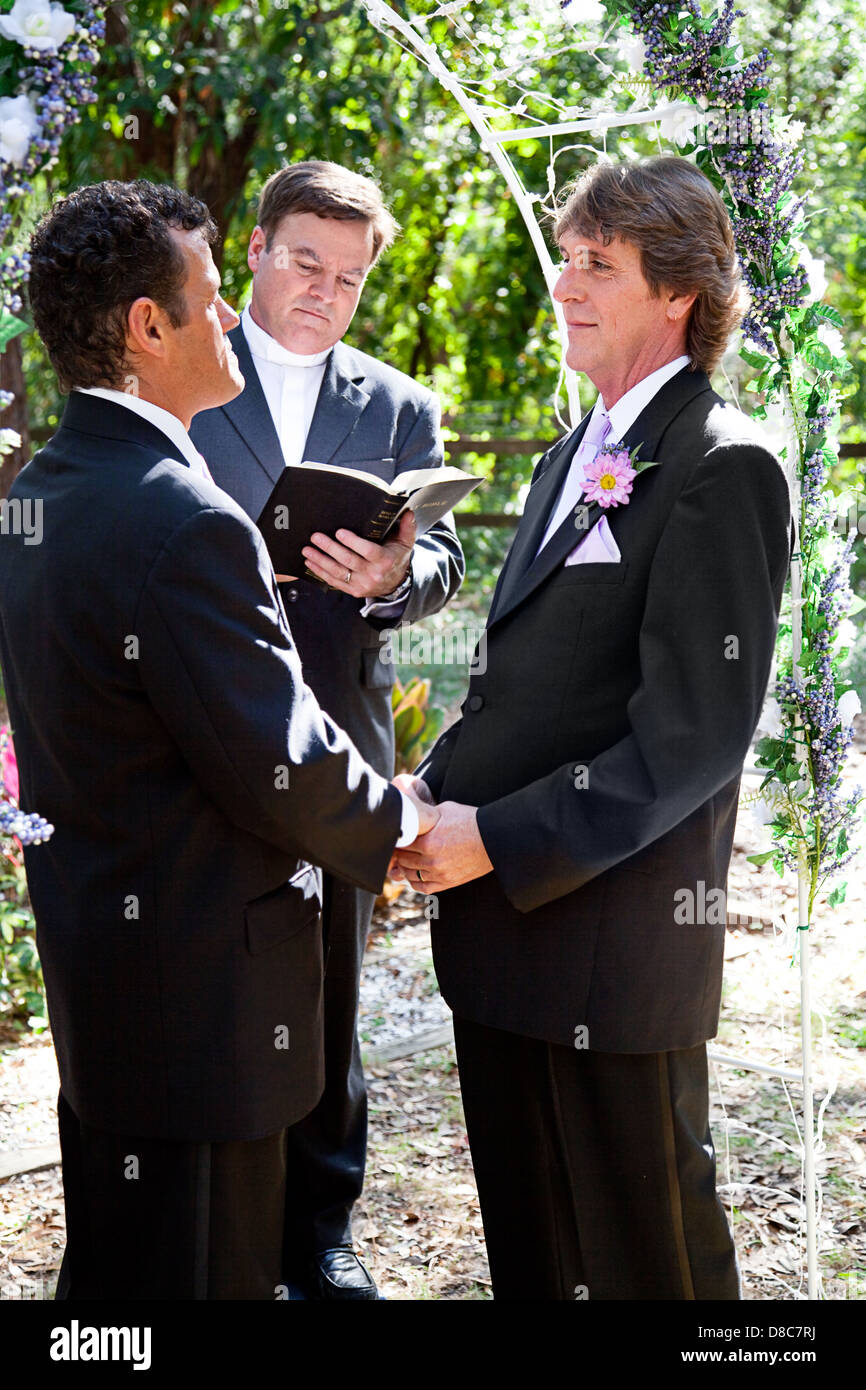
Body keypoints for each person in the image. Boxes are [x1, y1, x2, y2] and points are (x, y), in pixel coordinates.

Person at [0, 178, 436, 1301]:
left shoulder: (38, 494)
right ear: (149, 329)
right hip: (203, 1008)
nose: (235, 315)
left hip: (107, 975)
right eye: (211, 295)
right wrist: (405, 823)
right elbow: (277, 760)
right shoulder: (184, 517)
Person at [391, 156, 793, 1300]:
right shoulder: (582, 449)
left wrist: (497, 838)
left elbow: (693, 738)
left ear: (678, 293)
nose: (566, 283)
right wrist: (429, 790)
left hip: (613, 954)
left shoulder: (725, 465)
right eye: (567, 257)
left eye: (598, 266)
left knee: (643, 1259)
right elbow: (522, 675)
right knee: (537, 1255)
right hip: (498, 943)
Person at [190, 160, 464, 1300]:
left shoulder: (395, 401)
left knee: (330, 996)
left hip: (342, 733)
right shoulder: (184, 372)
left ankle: (323, 1235)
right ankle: (221, 1239)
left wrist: (400, 574)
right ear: (254, 249)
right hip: (205, 728)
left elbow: (447, 558)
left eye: (349, 278)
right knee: (213, 979)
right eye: (307, 262)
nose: (325, 291)